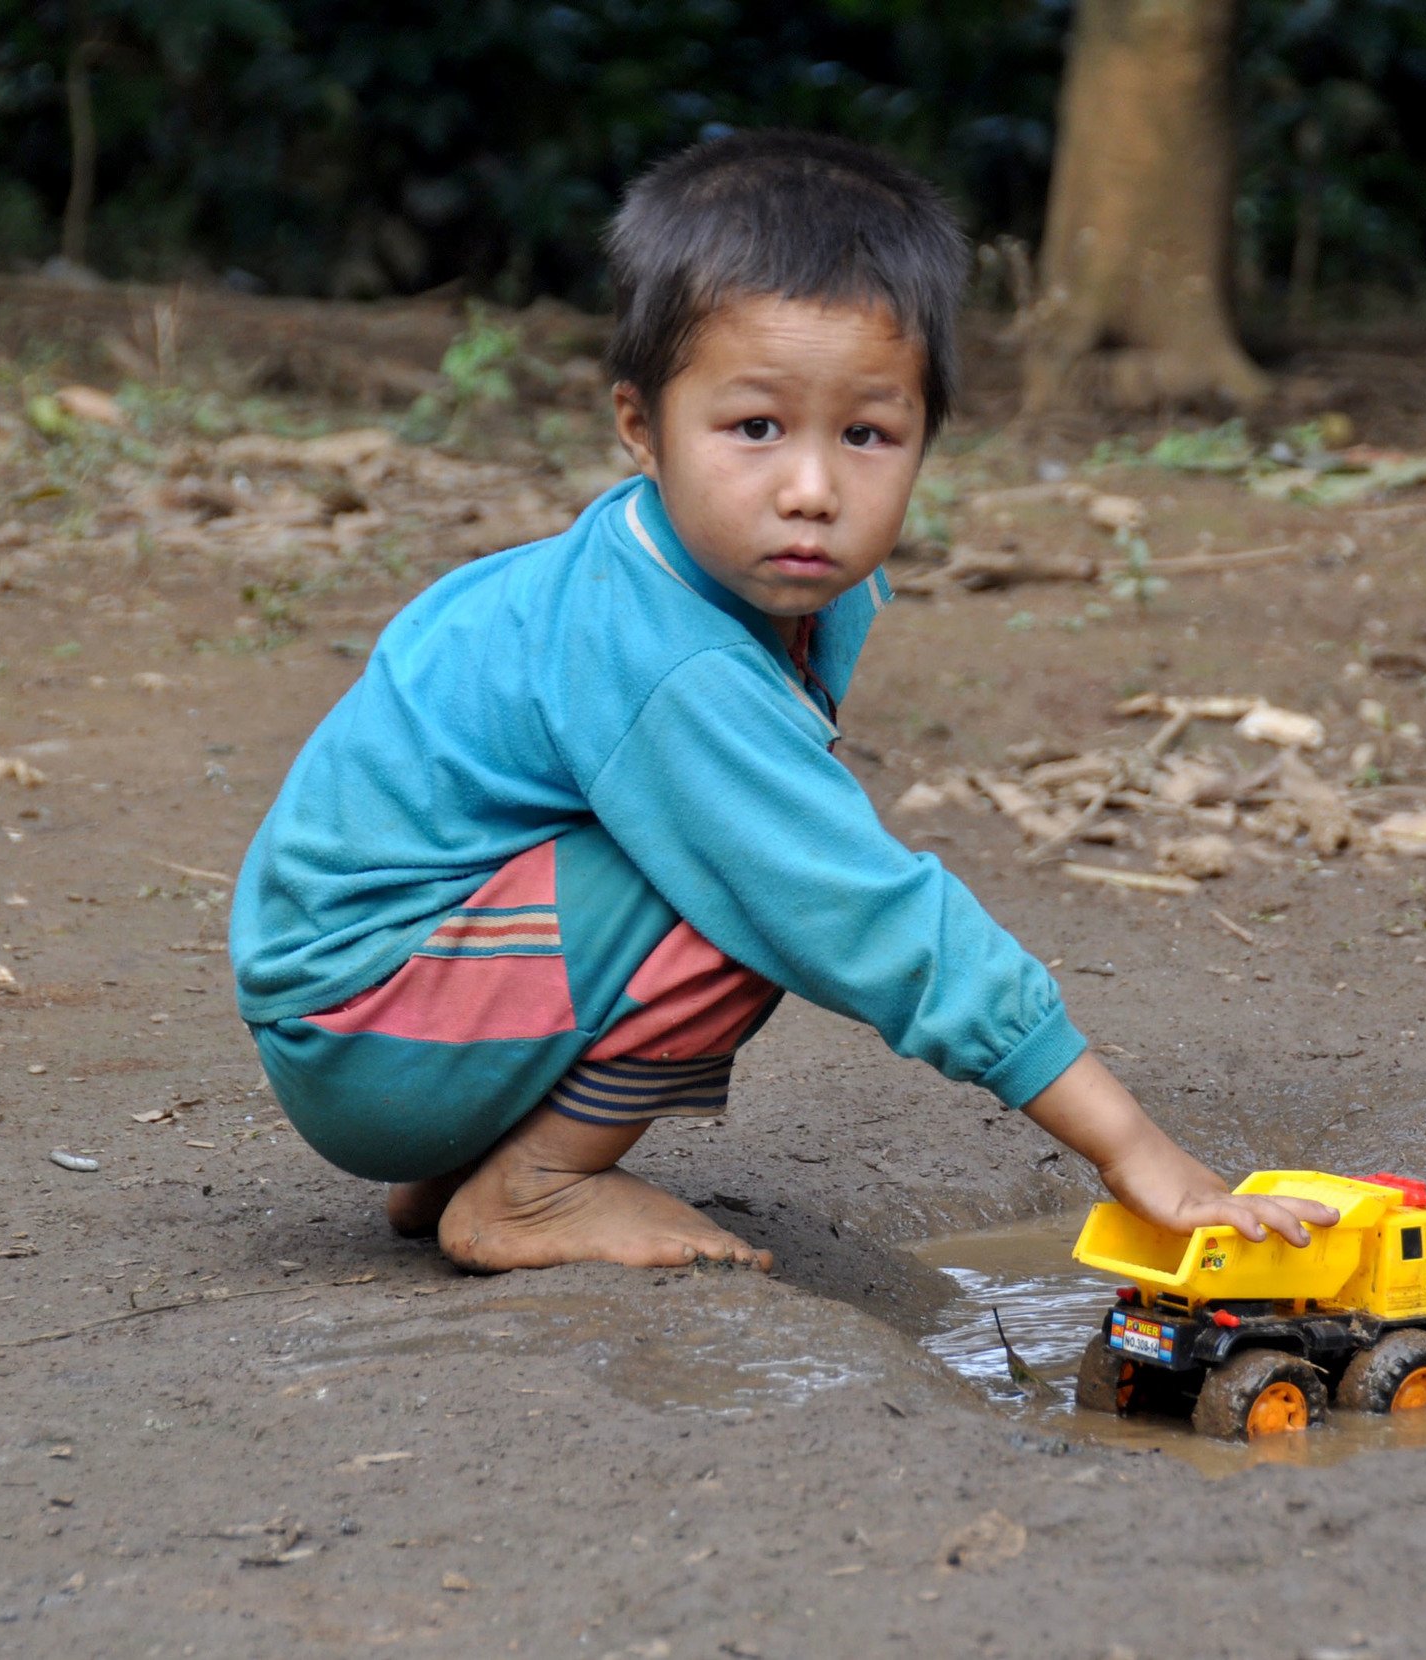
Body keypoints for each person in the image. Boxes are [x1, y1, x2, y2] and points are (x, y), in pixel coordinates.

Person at [231, 130, 1337, 1272]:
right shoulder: (666, 652)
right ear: (638, 425)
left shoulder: (750, 583)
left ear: (924, 438)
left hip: (391, 1012)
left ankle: (460, 1163)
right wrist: (1132, 1147)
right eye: (754, 427)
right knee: (759, 887)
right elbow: (853, 906)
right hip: (369, 1028)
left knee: (736, 854)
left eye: (865, 434)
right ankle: (531, 1189)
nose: (810, 489)